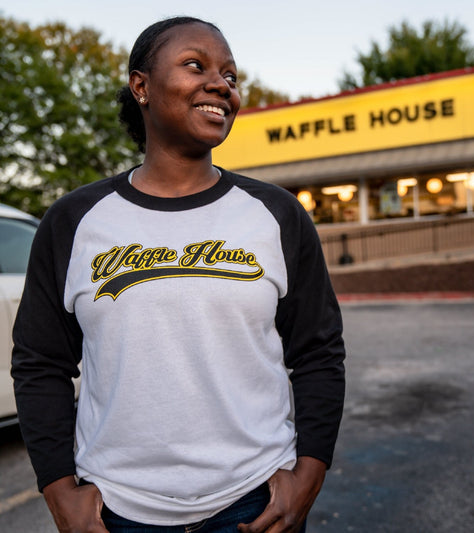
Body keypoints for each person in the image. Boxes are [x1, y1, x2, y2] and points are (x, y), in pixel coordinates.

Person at [11, 16, 345, 533]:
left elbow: (319, 351)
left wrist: (310, 473)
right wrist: (59, 493)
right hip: (116, 512)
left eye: (231, 76)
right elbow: (40, 363)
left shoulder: (275, 214)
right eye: (196, 66)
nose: (221, 85)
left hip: (255, 503)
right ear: (141, 85)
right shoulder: (75, 221)